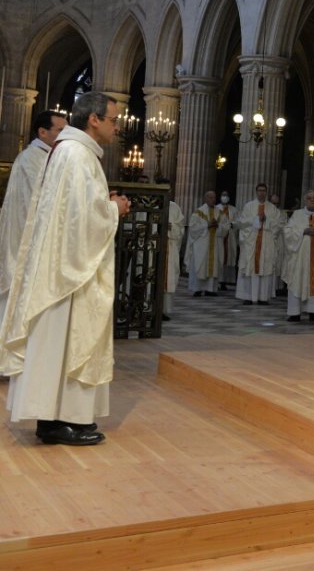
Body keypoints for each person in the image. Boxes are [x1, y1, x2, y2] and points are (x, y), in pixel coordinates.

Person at [0, 92, 130, 446]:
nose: (117, 127)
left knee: (65, 341)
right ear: (93, 120)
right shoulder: (75, 155)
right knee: (68, 339)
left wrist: (104, 205)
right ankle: (58, 420)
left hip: (65, 264)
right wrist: (114, 209)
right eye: (113, 120)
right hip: (69, 271)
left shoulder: (73, 152)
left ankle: (64, 417)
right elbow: (80, 218)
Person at [0, 110, 67, 324]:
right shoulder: (34, 159)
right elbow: (45, 200)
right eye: (60, 131)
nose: (65, 136)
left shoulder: (43, 156)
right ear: (42, 132)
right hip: (26, 239)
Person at [283, 190, 314, 323]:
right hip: (300, 258)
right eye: (309, 198)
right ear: (305, 200)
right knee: (298, 280)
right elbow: (287, 231)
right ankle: (294, 313)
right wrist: (303, 231)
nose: (312, 200)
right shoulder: (297, 215)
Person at [235, 183, 284, 303]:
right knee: (249, 268)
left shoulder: (272, 209)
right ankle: (248, 297)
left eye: (264, 191)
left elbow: (279, 225)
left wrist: (266, 220)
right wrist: (256, 219)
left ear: (266, 193)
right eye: (259, 190)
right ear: (256, 192)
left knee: (265, 268)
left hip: (266, 243)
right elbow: (241, 222)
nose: (261, 193)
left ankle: (263, 297)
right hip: (251, 242)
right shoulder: (248, 206)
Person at [187, 191, 230, 296]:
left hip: (215, 244)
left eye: (214, 197)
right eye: (210, 197)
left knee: (214, 265)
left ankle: (211, 289)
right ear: (205, 199)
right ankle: (197, 289)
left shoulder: (220, 213)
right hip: (202, 245)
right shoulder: (198, 212)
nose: (213, 199)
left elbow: (226, 228)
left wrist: (218, 226)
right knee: (200, 264)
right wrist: (207, 225)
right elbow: (192, 228)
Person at [162, 191, 185, 321]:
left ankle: (164, 310)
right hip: (155, 246)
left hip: (170, 247)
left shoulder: (175, 207)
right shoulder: (151, 203)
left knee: (168, 279)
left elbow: (181, 228)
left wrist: (171, 227)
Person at [217, 191, 238, 290]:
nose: (225, 197)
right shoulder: (217, 208)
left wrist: (232, 224)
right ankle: (217, 280)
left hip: (230, 236)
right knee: (220, 257)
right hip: (220, 236)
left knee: (228, 258)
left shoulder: (233, 210)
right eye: (223, 195)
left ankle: (224, 281)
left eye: (226, 195)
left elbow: (238, 222)